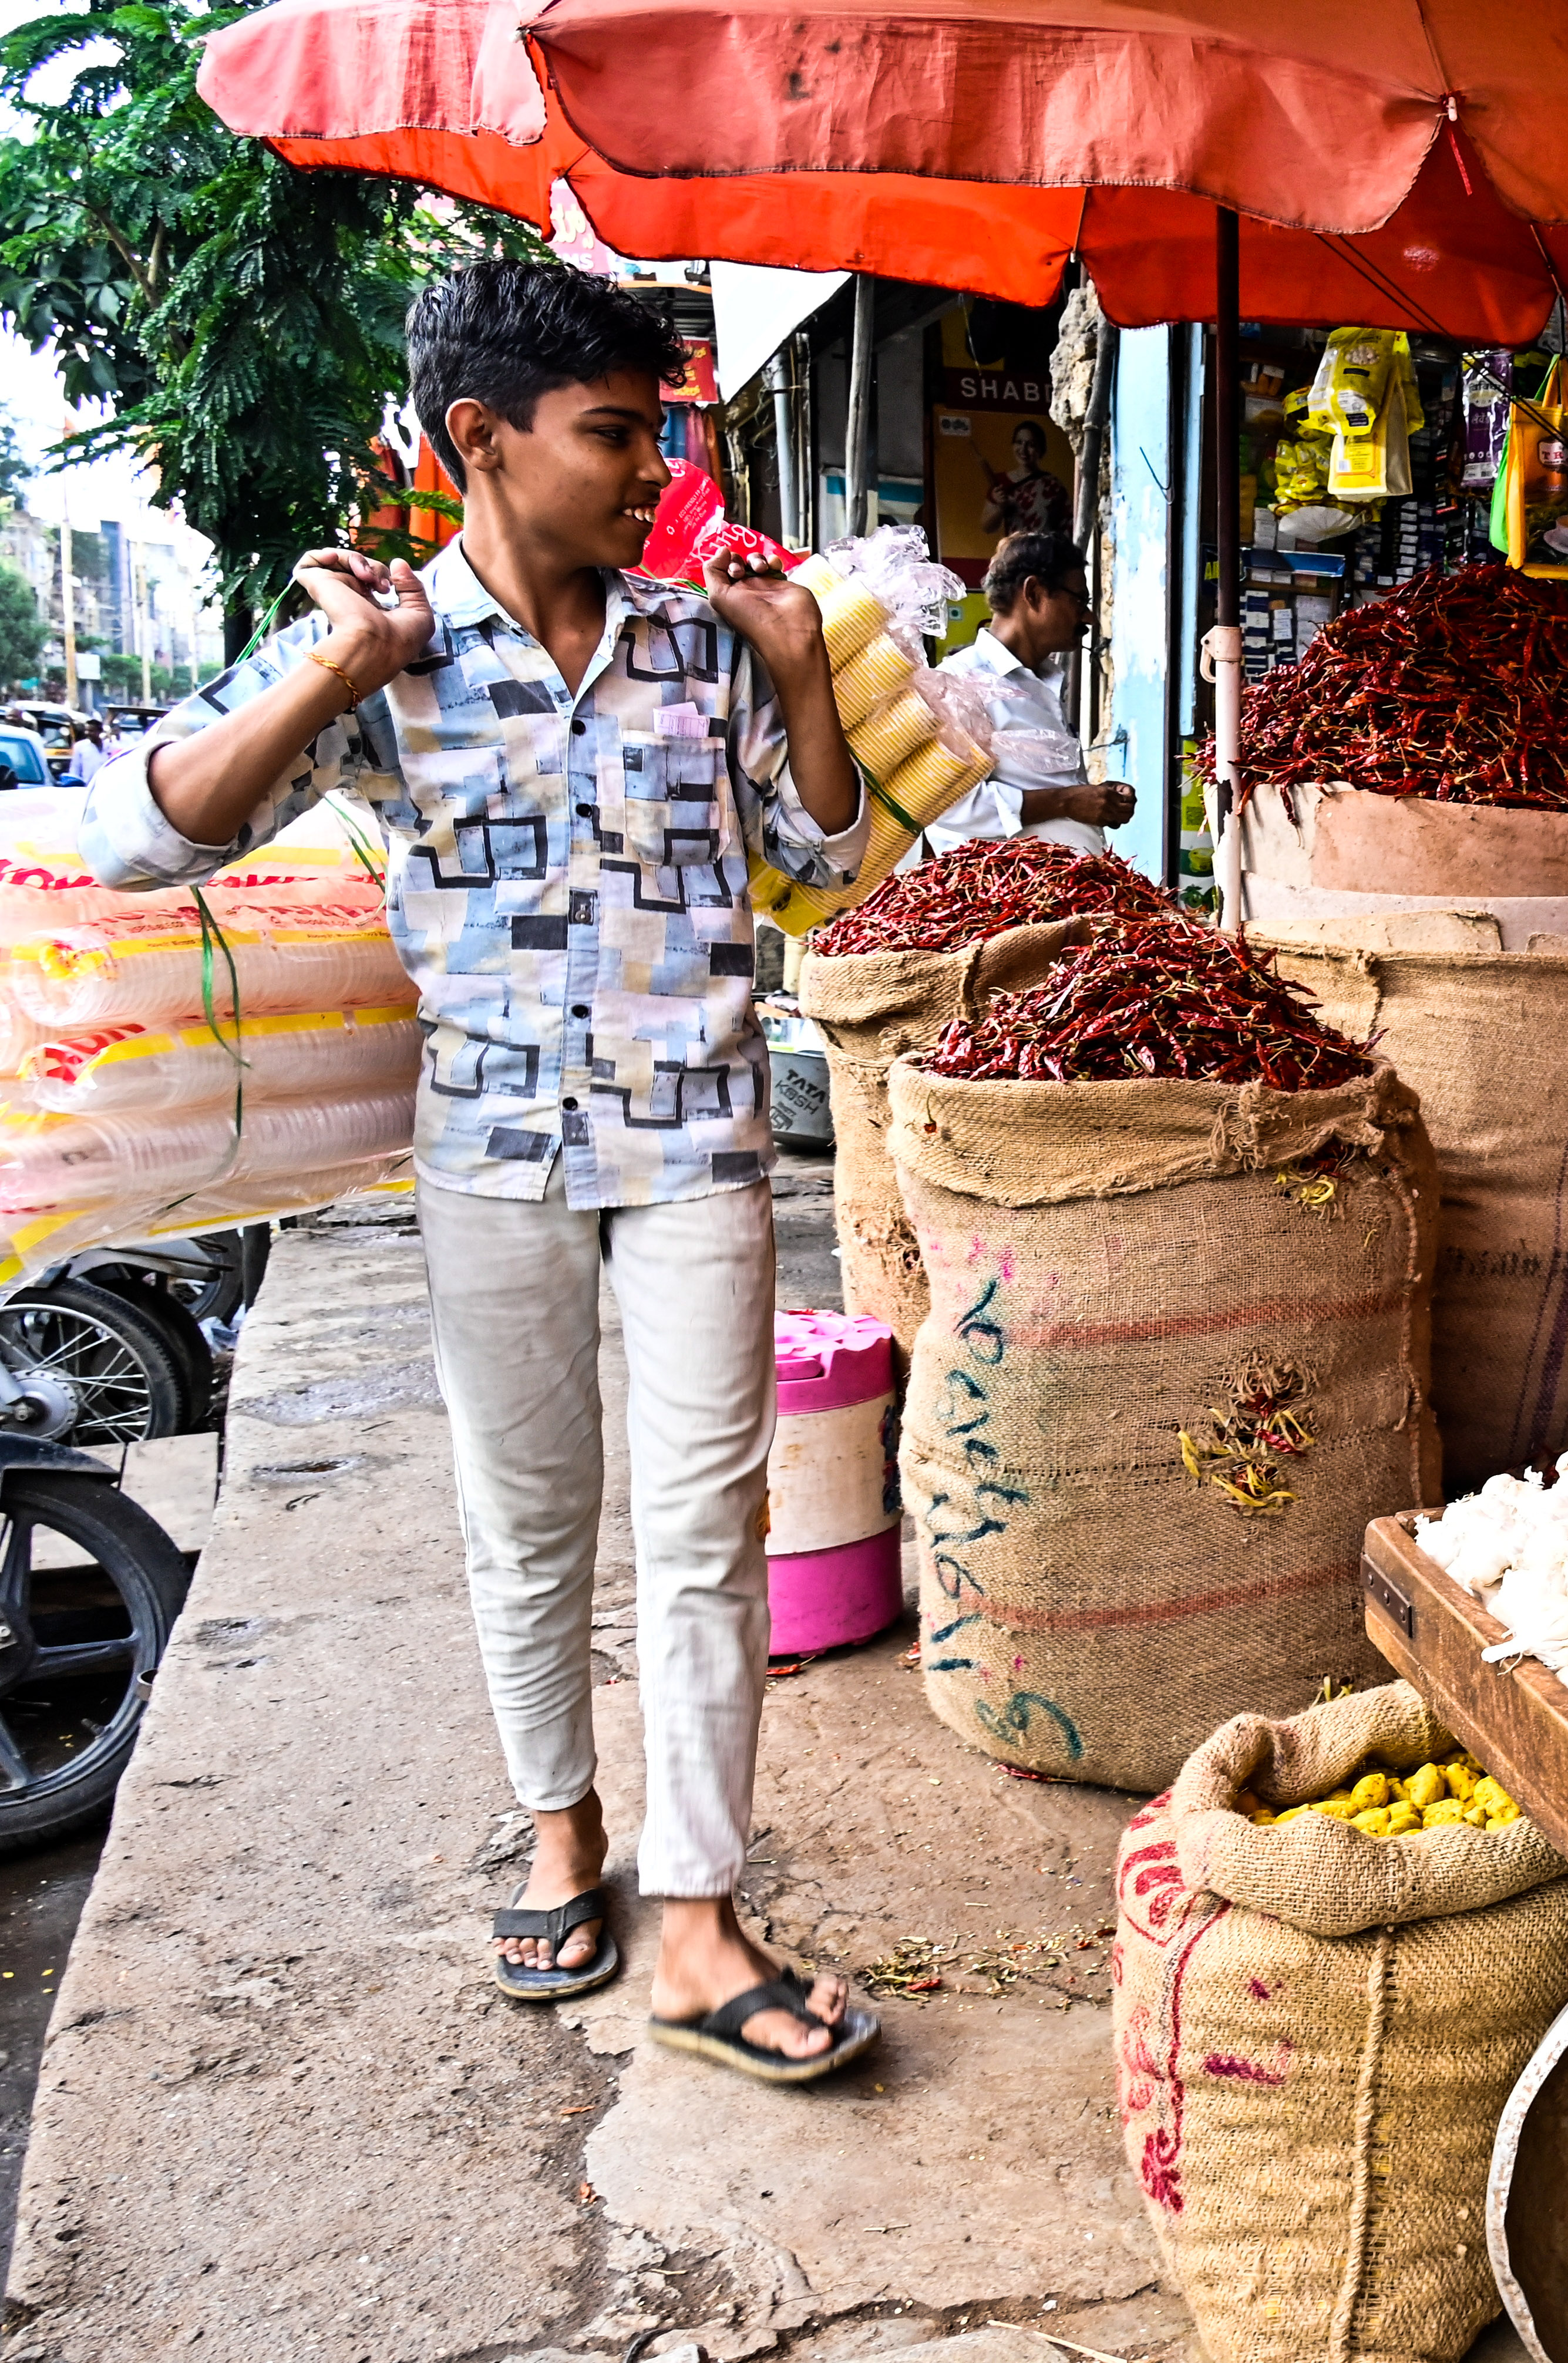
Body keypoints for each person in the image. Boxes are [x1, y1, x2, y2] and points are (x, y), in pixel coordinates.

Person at [83, 259, 882, 2086]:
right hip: (496, 1162)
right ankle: (560, 1830)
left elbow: (828, 874)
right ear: (482, 442)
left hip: (698, 1145)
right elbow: (147, 838)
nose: (652, 466)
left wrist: (805, 675)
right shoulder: (387, 645)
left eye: (662, 426)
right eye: (616, 433)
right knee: (525, 1525)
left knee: (707, 1532)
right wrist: (337, 680)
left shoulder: (698, 639)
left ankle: (695, 1915)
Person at [913, 530, 1133, 863]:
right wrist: (1067, 801)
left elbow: (1042, 784)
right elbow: (946, 804)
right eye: (1079, 601)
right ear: (1034, 594)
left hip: (1060, 893)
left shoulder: (1043, 681)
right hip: (1002, 900)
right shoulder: (961, 682)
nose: (1087, 617)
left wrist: (1096, 800)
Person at [980, 419, 1071, 544]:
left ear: (1041, 450)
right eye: (1019, 442)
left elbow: (1068, 526)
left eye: (1031, 445)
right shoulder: (1000, 483)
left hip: (1045, 555)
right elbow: (987, 528)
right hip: (1015, 554)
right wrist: (1001, 508)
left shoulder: (1052, 486)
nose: (1023, 449)